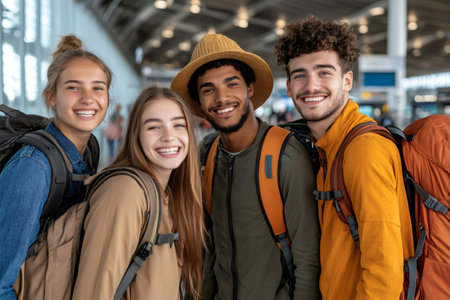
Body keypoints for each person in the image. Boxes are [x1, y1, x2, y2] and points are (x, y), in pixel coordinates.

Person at [274, 15, 414, 300]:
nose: (311, 86)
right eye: (300, 74)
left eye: (324, 72)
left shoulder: (364, 150)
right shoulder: (328, 147)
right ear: (289, 88)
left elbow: (384, 274)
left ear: (347, 80)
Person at [171, 33, 320, 300]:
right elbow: (208, 246)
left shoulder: (286, 157)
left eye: (232, 84)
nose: (222, 97)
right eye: (208, 89)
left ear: (249, 87)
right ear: (199, 101)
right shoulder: (207, 152)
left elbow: (307, 261)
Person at [0, 35, 112, 299]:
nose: (88, 98)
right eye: (73, 88)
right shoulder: (34, 168)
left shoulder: (89, 151)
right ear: (51, 96)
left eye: (98, 88)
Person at [72, 86, 204, 299]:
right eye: (154, 127)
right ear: (136, 135)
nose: (169, 137)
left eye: (178, 125)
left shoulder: (167, 192)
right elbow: (94, 291)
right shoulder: (125, 191)